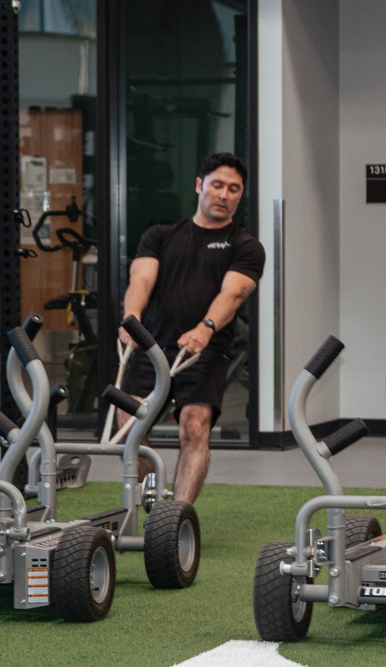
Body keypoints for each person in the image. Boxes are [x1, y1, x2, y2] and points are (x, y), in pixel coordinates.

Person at [118, 152, 265, 504]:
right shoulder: (160, 235)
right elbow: (140, 279)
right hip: (150, 345)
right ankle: (156, 503)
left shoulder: (245, 246)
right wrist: (131, 319)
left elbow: (232, 294)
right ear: (199, 186)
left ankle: (178, 516)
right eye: (217, 185)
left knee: (194, 427)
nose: (224, 195)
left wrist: (206, 327)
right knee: (127, 425)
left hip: (205, 349)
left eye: (233, 189)